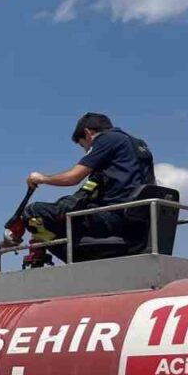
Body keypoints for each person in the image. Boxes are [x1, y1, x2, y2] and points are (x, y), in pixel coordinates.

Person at [24, 112, 155, 264]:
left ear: (88, 133)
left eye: (83, 146)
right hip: (140, 222)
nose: (86, 151)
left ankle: (78, 260)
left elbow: (72, 178)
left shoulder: (106, 139)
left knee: (33, 213)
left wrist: (42, 178)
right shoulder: (138, 145)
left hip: (114, 219)